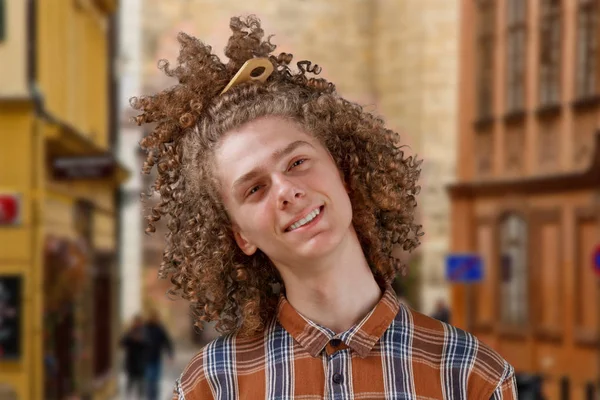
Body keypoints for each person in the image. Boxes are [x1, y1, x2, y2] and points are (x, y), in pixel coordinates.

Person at [132, 15, 517, 399]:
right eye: (254, 189)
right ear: (241, 236)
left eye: (297, 162)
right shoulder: (212, 384)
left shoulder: (470, 374)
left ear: (345, 174)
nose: (286, 190)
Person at [144, 310, 174, 400]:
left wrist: (170, 354)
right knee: (149, 379)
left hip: (156, 357)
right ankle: (150, 397)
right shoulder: (145, 328)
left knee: (155, 380)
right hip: (147, 358)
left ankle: (154, 397)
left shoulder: (159, 329)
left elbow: (167, 341)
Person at [119, 315, 147, 399]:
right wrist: (131, 339)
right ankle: (128, 397)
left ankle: (140, 397)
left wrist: (141, 340)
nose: (137, 324)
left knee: (140, 385)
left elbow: (149, 344)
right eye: (135, 322)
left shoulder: (144, 332)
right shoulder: (130, 332)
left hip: (141, 363)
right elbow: (122, 342)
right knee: (130, 383)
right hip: (131, 363)